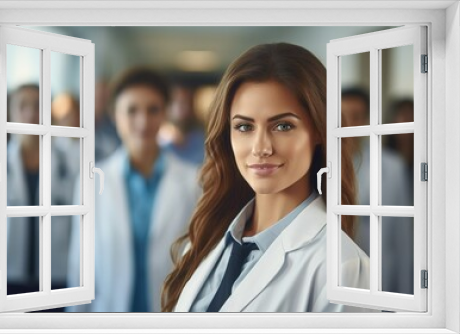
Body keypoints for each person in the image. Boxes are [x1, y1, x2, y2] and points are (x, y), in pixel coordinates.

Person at [162, 43, 370, 313]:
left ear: (320, 130)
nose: (261, 148)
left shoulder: (343, 269)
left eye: (283, 126)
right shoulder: (204, 241)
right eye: (244, 127)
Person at [66, 68, 200, 312]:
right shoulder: (91, 181)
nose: (143, 121)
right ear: (115, 115)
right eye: (132, 110)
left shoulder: (193, 182)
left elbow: (198, 262)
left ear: (165, 114)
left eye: (153, 110)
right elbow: (80, 266)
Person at [341, 88, 413, 295]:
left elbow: (402, 237)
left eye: (357, 117)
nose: (350, 124)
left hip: (382, 276)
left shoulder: (392, 166)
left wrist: (406, 294)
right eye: (344, 116)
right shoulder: (321, 166)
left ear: (366, 120)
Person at [6, 84, 75, 303]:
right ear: (10, 113)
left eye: (38, 106)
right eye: (22, 106)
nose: (31, 113)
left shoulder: (72, 162)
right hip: (6, 278)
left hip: (58, 280)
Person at [159, 83, 205, 166]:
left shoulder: (200, 138)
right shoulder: (160, 140)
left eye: (185, 102)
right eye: (177, 102)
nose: (182, 108)